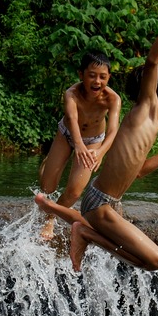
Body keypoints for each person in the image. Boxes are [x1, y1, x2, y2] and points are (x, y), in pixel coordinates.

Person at [35, 0, 158, 272]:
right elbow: (152, 61)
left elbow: (140, 170)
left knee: (148, 262)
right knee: (157, 260)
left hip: (107, 202)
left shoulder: (150, 126)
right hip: (101, 203)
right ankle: (80, 229)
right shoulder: (146, 107)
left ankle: (66, 217)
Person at [38, 51, 122, 240]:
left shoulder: (112, 99)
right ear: (81, 74)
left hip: (93, 142)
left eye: (102, 77)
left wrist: (100, 153)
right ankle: (47, 164)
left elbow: (113, 130)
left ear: (109, 77)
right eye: (91, 75)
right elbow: (72, 119)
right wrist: (77, 145)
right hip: (67, 134)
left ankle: (50, 218)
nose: (97, 82)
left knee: (75, 191)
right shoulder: (72, 93)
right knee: (47, 187)